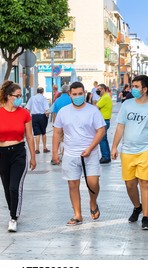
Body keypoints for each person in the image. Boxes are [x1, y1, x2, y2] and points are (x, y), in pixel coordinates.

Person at [111, 75, 148, 230]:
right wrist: (114, 147)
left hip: (147, 150)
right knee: (130, 184)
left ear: (144, 89)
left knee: (145, 183)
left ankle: (146, 217)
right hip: (128, 151)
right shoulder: (127, 105)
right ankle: (137, 207)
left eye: (137, 86)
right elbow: (120, 127)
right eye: (133, 86)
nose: (133, 89)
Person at [52, 81, 106, 226]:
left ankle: (93, 203)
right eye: (74, 94)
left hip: (91, 153)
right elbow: (57, 132)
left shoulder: (93, 111)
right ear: (69, 94)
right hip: (70, 153)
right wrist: (55, 153)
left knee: (93, 182)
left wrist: (90, 148)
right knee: (73, 184)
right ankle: (77, 214)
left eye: (80, 94)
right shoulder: (64, 112)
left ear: (84, 93)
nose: (77, 97)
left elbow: (101, 130)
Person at [0, 81, 36, 232]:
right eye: (17, 96)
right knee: (6, 188)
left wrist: (33, 156)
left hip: (18, 152)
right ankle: (13, 210)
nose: (19, 99)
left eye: (20, 96)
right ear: (9, 96)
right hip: (2, 154)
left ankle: (13, 217)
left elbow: (30, 136)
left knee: (14, 187)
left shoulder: (24, 113)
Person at [25, 87, 50, 154]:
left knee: (37, 133)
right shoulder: (44, 98)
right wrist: (47, 115)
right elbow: (47, 109)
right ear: (43, 92)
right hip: (42, 116)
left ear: (36, 91)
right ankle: (44, 148)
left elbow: (27, 108)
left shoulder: (32, 98)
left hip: (34, 117)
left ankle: (37, 148)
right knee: (43, 132)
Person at [96, 83, 113, 164]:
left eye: (98, 89)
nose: (97, 91)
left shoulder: (105, 97)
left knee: (102, 140)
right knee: (104, 139)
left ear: (103, 89)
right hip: (105, 120)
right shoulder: (105, 97)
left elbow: (96, 107)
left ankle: (105, 157)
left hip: (103, 121)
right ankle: (107, 156)